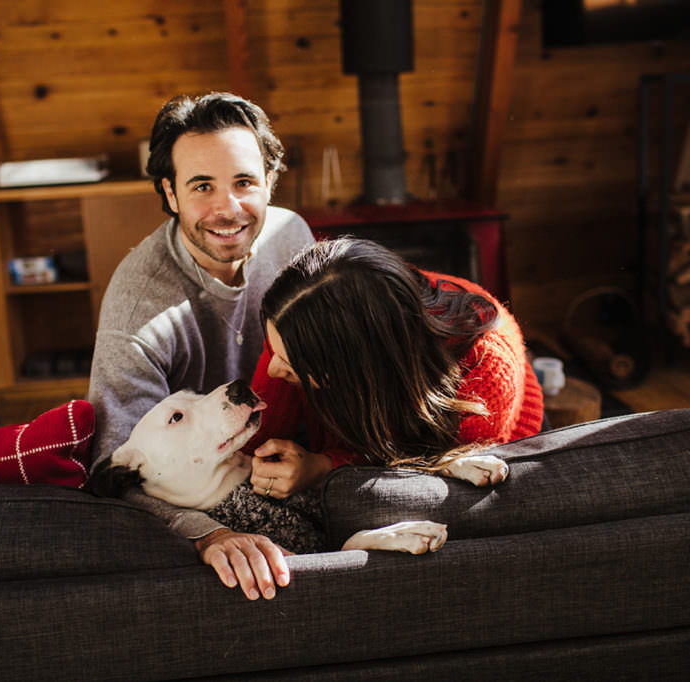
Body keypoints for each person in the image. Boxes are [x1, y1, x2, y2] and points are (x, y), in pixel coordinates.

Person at [87, 92, 314, 600]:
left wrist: (322, 464)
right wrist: (208, 535)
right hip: (209, 498)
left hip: (298, 461)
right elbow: (111, 469)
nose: (227, 208)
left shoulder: (292, 236)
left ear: (270, 181)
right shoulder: (137, 310)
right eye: (202, 186)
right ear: (170, 192)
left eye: (244, 182)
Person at [243, 237, 545, 500]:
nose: (272, 371)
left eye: (289, 364)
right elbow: (250, 443)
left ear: (357, 365)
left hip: (477, 443)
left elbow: (430, 483)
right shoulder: (295, 323)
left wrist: (324, 467)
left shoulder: (485, 366)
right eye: (273, 350)